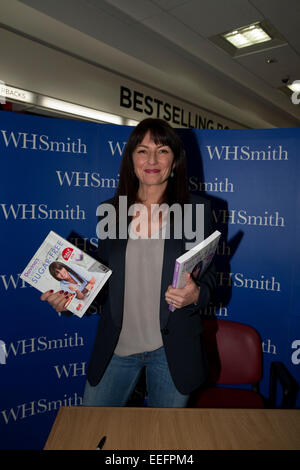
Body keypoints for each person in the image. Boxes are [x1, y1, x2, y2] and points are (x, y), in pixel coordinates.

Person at [41, 118, 216, 407]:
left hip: (172, 350)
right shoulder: (110, 211)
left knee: (165, 443)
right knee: (93, 432)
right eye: (142, 150)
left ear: (174, 162)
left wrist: (197, 294)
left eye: (162, 151)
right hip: (117, 346)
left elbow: (211, 278)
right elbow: (105, 283)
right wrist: (70, 299)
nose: (152, 159)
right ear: (131, 159)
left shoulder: (196, 210)